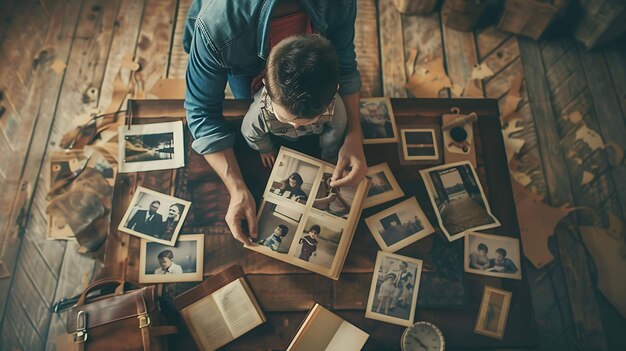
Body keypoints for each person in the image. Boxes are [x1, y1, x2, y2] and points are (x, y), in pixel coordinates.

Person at [183, 0, 368, 246]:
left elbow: (345, 68)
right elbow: (201, 111)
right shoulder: (217, 27)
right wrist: (236, 187)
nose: (297, 130)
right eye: (284, 120)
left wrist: (354, 133)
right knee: (240, 97)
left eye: (311, 122)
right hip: (232, 48)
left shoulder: (339, 4)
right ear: (265, 93)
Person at [241, 35, 347, 166]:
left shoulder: (333, 105)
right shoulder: (259, 114)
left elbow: (337, 129)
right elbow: (251, 134)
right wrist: (265, 149)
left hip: (313, 140)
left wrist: (329, 153)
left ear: (333, 95)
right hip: (279, 140)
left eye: (312, 120)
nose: (295, 125)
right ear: (267, 90)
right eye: (284, 118)